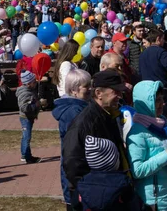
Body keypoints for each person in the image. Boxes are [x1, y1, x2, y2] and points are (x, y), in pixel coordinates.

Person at [62, 69, 130, 205]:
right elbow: (72, 163)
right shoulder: (84, 122)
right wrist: (92, 192)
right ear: (99, 93)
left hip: (111, 192)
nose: (120, 96)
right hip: (95, 198)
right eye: (115, 92)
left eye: (121, 92)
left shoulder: (108, 114)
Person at [126, 80, 167, 210]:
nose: (162, 104)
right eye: (156, 100)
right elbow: (137, 171)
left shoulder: (162, 124)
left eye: (162, 99)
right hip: (153, 201)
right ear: (146, 103)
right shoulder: (137, 132)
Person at [52, 69, 91, 209]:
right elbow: (75, 146)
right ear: (74, 90)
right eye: (87, 86)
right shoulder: (73, 112)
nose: (90, 89)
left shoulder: (81, 108)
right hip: (75, 171)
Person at [77, 136, 139, 211]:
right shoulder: (123, 183)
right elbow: (135, 206)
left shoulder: (83, 183)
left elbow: (75, 204)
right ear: (112, 161)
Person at [17, 70, 41, 164]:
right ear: (28, 84)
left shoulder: (30, 90)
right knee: (26, 136)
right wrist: (36, 105)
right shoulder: (25, 93)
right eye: (33, 82)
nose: (35, 83)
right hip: (25, 117)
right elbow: (24, 107)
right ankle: (26, 156)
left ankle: (26, 155)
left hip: (29, 117)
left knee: (26, 136)